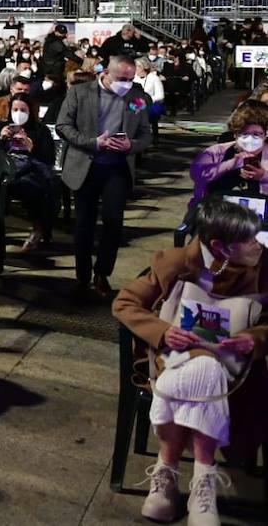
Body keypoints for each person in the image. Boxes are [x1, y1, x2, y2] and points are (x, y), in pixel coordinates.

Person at [111, 200, 267, 526]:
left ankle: (166, 473)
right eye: (249, 239)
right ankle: (203, 479)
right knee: (201, 370)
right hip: (175, 355)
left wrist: (254, 338)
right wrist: (163, 331)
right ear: (220, 247)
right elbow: (125, 303)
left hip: (235, 365)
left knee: (201, 372)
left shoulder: (264, 266)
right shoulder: (176, 262)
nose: (259, 244)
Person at [56, 54, 153, 299]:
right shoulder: (80, 93)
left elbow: (146, 134)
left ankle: (102, 273)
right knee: (84, 224)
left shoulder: (136, 98)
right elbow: (63, 126)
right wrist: (93, 142)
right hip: (85, 166)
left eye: (130, 79)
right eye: (122, 78)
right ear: (106, 73)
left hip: (118, 168)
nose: (126, 84)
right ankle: (82, 276)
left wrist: (131, 145)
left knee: (113, 223)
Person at [0, 92, 56, 252]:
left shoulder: (40, 130)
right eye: (15, 109)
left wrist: (31, 147)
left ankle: (38, 229)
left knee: (34, 190)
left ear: (30, 111)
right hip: (5, 171)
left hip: (31, 172)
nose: (19, 113)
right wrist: (1, 140)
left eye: (23, 110)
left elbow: (48, 158)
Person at [187, 100, 268, 222]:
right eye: (244, 133)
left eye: (256, 134)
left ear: (265, 135)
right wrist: (230, 164)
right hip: (214, 217)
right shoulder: (216, 152)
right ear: (235, 134)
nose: (250, 139)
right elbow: (197, 174)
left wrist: (263, 176)